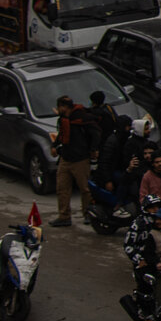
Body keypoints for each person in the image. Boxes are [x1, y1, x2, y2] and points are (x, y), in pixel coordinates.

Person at [52, 95, 95, 227]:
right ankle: (64, 216)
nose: (58, 110)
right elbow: (62, 135)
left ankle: (88, 213)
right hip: (66, 159)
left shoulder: (82, 118)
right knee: (62, 188)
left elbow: (94, 133)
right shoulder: (63, 120)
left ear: (64, 107)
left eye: (59, 107)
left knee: (85, 189)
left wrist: (93, 149)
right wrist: (55, 146)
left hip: (80, 160)